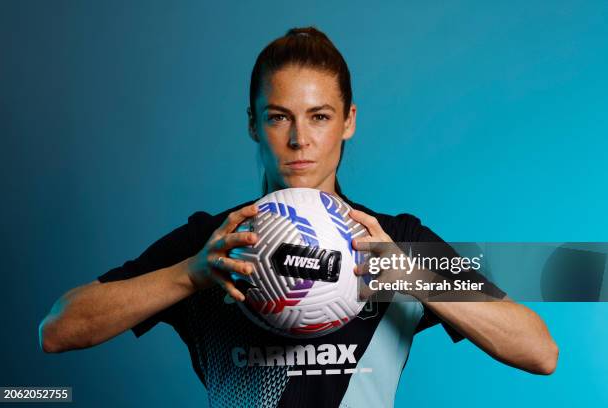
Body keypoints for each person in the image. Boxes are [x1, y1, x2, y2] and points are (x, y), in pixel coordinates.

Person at [39, 27, 559, 407]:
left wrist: (411, 276)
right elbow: (58, 329)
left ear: (348, 122)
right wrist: (189, 274)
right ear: (253, 125)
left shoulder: (395, 241)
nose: (299, 140)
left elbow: (540, 351)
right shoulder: (214, 244)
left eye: (319, 117)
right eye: (278, 117)